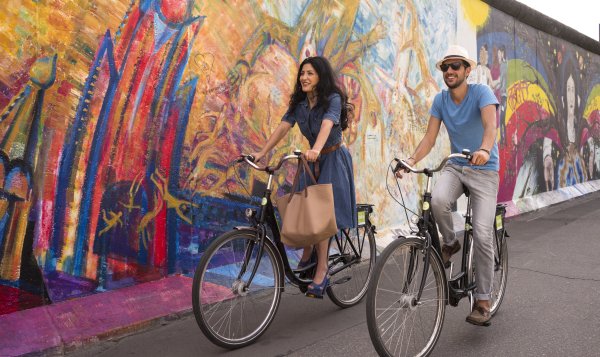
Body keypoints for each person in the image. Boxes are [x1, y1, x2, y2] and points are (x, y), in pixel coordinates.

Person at [396, 45, 499, 326]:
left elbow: (491, 127)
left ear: (467, 70)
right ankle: (451, 244)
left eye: (456, 66)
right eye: (446, 67)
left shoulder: (481, 93)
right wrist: (410, 160)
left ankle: (483, 299)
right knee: (438, 201)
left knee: (482, 234)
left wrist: (485, 150)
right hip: (456, 165)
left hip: (484, 168)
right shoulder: (440, 100)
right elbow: (429, 138)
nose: (450, 71)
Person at [252, 56, 357, 298]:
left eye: (310, 73)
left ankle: (322, 271)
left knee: (322, 214)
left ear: (320, 76)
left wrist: (317, 150)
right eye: (302, 74)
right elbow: (282, 127)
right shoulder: (299, 103)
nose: (304, 78)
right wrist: (262, 152)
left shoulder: (333, 98)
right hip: (312, 159)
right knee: (302, 204)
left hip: (331, 156)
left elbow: (327, 125)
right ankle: (308, 255)